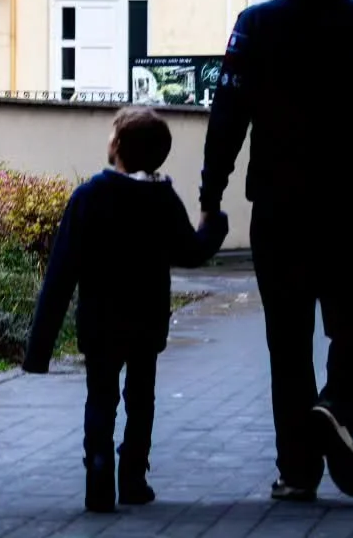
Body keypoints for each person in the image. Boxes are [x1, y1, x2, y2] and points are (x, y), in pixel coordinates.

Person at [199, 0, 353, 505]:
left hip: (277, 208)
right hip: (347, 207)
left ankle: (296, 471)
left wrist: (210, 194)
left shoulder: (255, 25)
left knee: (287, 342)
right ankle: (337, 402)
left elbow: (227, 119)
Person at [22, 104, 228, 513]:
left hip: (99, 322)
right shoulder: (162, 198)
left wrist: (38, 350)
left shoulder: (88, 197)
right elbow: (189, 251)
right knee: (141, 398)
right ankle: (133, 477)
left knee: (100, 397)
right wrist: (214, 227)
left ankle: (98, 478)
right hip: (146, 321)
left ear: (116, 146)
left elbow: (60, 274)